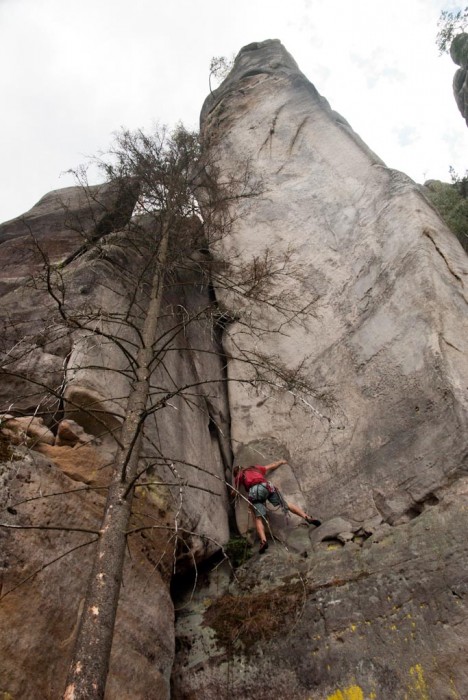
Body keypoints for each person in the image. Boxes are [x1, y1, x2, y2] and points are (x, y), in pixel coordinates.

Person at [232, 459, 321, 553]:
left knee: (258, 518)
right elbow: (271, 465)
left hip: (255, 491)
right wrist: (281, 462)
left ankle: (263, 541)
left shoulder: (240, 475)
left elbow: (235, 492)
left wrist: (232, 491)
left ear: (236, 472)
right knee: (285, 504)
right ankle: (307, 517)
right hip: (267, 486)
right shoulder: (255, 468)